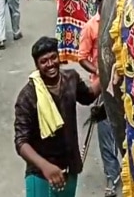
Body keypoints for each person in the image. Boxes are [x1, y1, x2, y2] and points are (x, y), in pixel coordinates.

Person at [14, 36, 100, 197]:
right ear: (37, 65)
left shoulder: (71, 79)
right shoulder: (27, 96)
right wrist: (45, 167)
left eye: (53, 57)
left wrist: (106, 72)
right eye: (44, 61)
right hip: (40, 173)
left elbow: (88, 96)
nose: (50, 64)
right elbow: (21, 142)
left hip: (68, 168)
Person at [77, 0, 121, 197]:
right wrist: (99, 71)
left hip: (123, 85)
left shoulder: (121, 20)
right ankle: (112, 175)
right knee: (106, 133)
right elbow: (82, 57)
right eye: (106, 1)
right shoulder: (90, 27)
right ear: (98, 3)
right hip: (101, 88)